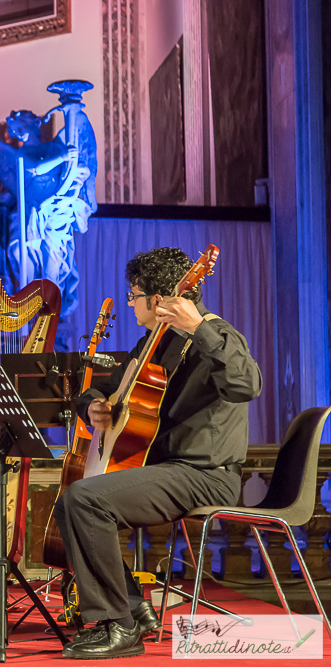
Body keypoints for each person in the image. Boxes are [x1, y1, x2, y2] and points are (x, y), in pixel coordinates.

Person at [53, 247, 262, 659]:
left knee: (85, 499)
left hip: (205, 475)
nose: (129, 304)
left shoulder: (218, 335)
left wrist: (199, 327)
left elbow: (246, 385)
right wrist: (92, 404)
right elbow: (108, 384)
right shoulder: (155, 343)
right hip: (169, 470)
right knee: (70, 501)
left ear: (157, 300)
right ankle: (134, 610)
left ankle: (118, 627)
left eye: (133, 296)